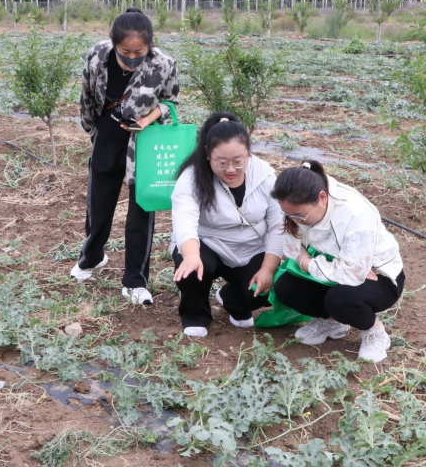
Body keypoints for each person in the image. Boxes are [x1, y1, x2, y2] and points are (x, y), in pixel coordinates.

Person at [70, 7, 179, 306]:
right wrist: (91, 129)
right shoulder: (97, 56)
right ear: (113, 42)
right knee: (98, 205)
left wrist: (148, 119)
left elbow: (170, 101)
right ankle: (92, 257)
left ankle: (135, 281)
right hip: (107, 137)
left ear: (150, 46)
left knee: (141, 212)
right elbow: (87, 94)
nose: (132, 58)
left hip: (143, 143)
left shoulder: (163, 64)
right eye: (125, 52)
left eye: (139, 53)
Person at [269, 161, 405, 362]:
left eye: (300, 216)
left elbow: (353, 273)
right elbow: (291, 246)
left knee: (341, 299)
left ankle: (374, 330)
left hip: (379, 276)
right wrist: (313, 261)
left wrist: (307, 261)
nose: (294, 220)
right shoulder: (295, 205)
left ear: (322, 198)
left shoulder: (354, 213)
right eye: (288, 214)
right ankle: (332, 322)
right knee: (286, 287)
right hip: (331, 267)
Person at [171, 113, 284, 337]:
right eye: (222, 163)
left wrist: (268, 269)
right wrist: (191, 255)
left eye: (238, 162)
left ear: (248, 151)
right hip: (209, 243)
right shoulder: (191, 178)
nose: (230, 169)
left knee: (266, 287)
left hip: (252, 247)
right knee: (192, 266)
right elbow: (184, 219)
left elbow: (278, 226)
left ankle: (233, 300)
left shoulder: (265, 175)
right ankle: (195, 315)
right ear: (207, 153)